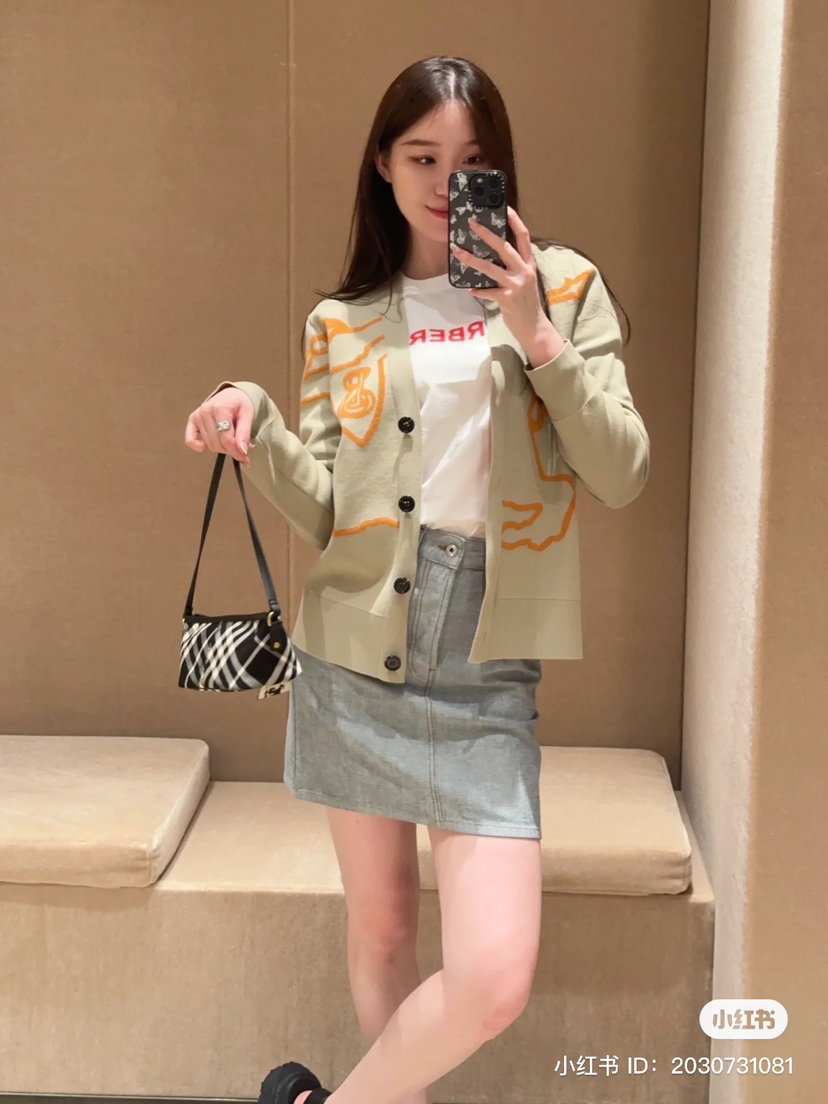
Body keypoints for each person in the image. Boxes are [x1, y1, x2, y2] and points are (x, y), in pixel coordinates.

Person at [184, 55, 649, 1104]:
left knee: (494, 977)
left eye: (471, 161)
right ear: (383, 167)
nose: (446, 182)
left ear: (502, 169)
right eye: (422, 157)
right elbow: (327, 513)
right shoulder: (343, 322)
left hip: (487, 661)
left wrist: (534, 330)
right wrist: (257, 422)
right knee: (385, 929)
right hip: (354, 651)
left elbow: (622, 470)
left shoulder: (565, 288)